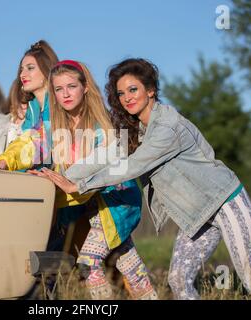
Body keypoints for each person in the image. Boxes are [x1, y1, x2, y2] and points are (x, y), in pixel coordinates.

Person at [40, 58, 251, 300]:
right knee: (178, 280)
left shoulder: (167, 127)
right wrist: (61, 178)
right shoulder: (136, 129)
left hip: (226, 202)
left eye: (133, 90)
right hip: (197, 214)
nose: (127, 98)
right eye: (121, 93)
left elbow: (131, 165)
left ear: (151, 90)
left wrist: (79, 185)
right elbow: (105, 156)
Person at [30, 60, 158, 300]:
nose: (65, 94)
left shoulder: (102, 124)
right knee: (129, 263)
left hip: (115, 203)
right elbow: (30, 146)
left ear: (85, 87)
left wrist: (67, 177)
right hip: (88, 206)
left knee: (88, 263)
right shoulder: (56, 126)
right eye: (58, 89)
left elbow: (99, 165)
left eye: (71, 86)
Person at [0, 40, 58, 170]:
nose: (22, 75)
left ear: (47, 69)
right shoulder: (32, 108)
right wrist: (5, 163)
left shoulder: (59, 103)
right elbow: (25, 144)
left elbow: (42, 146)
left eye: (30, 68)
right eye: (21, 69)